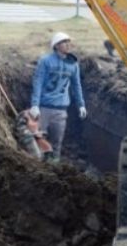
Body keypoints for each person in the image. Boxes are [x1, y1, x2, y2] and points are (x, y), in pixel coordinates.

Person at [29, 32, 87, 162]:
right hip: (44, 107)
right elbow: (38, 82)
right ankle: (38, 166)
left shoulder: (73, 64)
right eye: (64, 42)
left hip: (61, 109)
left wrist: (81, 105)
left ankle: (54, 168)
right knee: (39, 139)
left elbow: (76, 85)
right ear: (56, 46)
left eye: (69, 42)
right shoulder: (46, 61)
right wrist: (35, 104)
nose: (68, 45)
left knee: (56, 143)